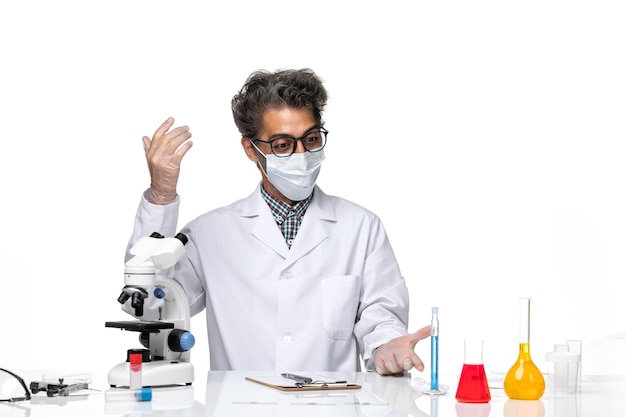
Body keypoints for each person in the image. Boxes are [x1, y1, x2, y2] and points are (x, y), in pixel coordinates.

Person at [125, 68, 430, 375]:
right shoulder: (209, 234)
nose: (302, 154)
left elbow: (381, 316)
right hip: (240, 406)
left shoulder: (361, 227)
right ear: (251, 149)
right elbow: (152, 307)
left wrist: (386, 346)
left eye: (310, 139)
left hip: (331, 405)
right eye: (283, 145)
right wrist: (161, 194)